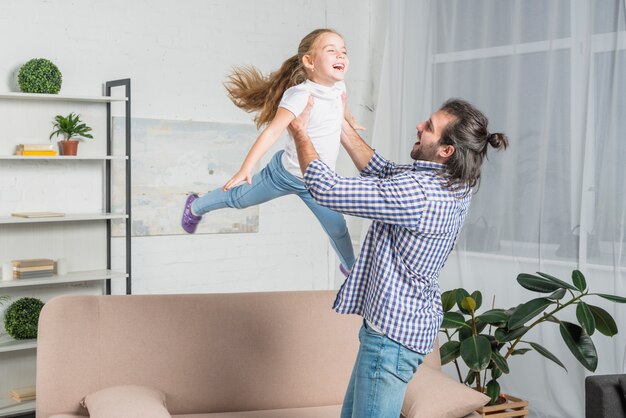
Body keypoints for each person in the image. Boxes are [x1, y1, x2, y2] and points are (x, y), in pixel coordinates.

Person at [288, 97, 509, 418]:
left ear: (447, 150)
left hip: (391, 340)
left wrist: (300, 133)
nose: (420, 126)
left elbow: (325, 189)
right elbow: (383, 171)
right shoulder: (452, 181)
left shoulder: (420, 193)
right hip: (397, 330)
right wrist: (339, 122)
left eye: (430, 128)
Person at [181, 28, 360, 275]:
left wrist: (350, 120)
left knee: (338, 228)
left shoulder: (339, 88)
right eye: (331, 51)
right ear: (309, 61)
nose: (340, 56)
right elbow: (272, 132)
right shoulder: (300, 95)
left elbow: (342, 108)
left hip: (320, 182)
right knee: (238, 199)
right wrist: (246, 168)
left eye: (344, 51)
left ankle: (351, 268)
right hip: (284, 175)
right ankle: (195, 206)